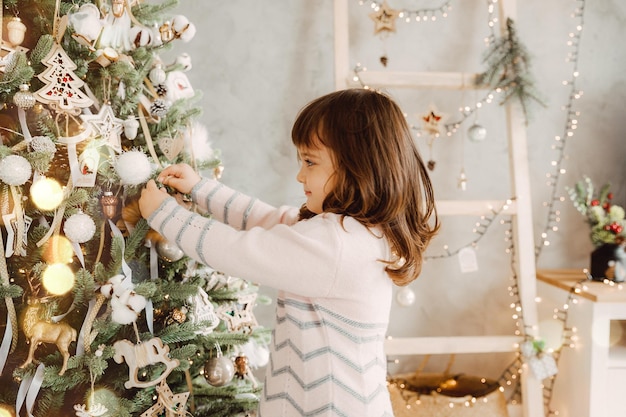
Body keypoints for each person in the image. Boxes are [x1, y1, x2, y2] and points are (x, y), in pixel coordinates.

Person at [138, 88, 439, 417]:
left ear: (359, 167)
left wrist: (165, 214)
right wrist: (201, 190)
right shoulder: (355, 232)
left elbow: (240, 251)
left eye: (310, 162)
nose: (300, 175)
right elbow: (270, 219)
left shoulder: (336, 245)